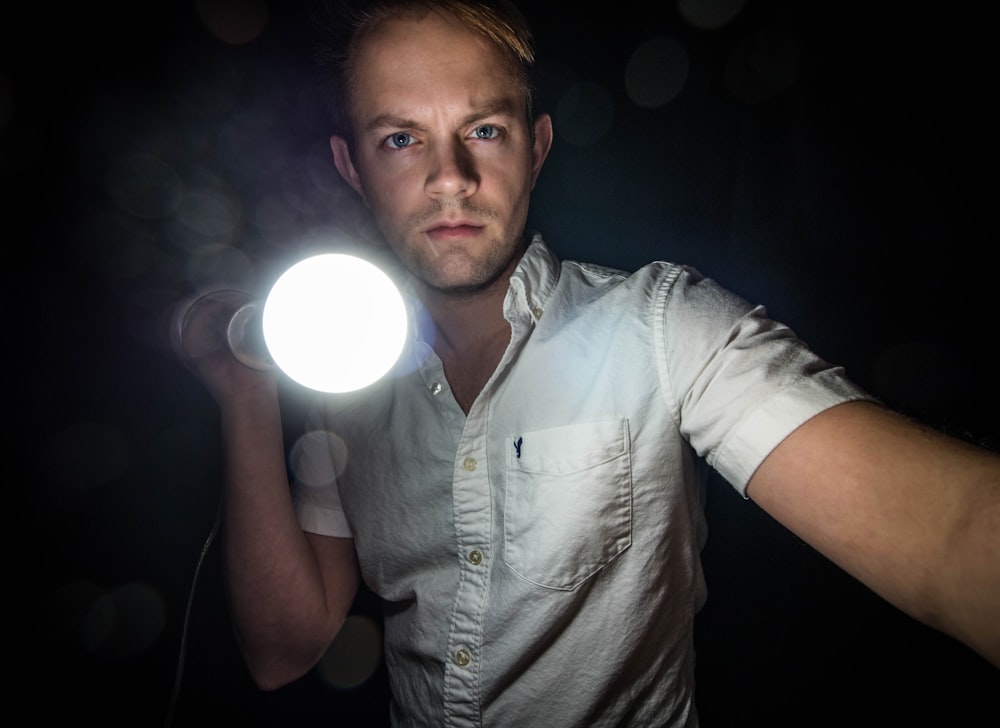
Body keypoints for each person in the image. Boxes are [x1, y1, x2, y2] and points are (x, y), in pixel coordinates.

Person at [175, 1, 1000, 725]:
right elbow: (285, 648)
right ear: (352, 166)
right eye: (401, 139)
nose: (451, 180)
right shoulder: (341, 373)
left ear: (535, 149)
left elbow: (953, 536)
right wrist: (243, 390)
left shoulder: (659, 327)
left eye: (484, 130)